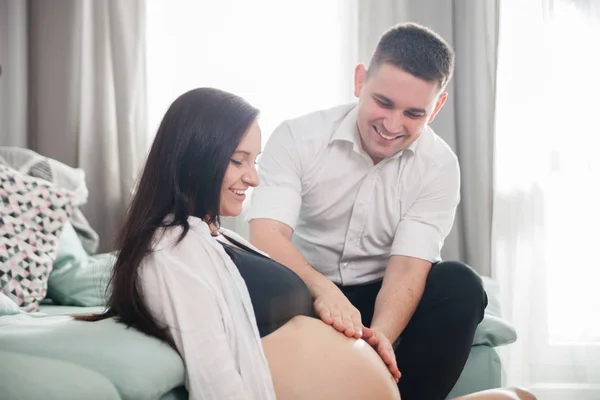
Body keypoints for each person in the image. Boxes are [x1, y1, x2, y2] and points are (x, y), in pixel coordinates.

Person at [76, 87, 536, 400]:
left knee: (516, 389)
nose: (254, 177)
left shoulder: (213, 238)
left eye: (253, 161)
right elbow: (214, 372)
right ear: (195, 156)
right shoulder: (170, 252)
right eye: (238, 161)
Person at [246, 22, 487, 400]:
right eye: (383, 103)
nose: (392, 126)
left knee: (462, 285)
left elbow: (409, 266)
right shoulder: (298, 136)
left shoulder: (440, 165)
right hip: (304, 286)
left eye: (413, 113)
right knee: (257, 278)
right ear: (360, 81)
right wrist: (323, 289)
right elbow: (266, 235)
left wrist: (379, 341)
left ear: (437, 107)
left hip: (381, 293)